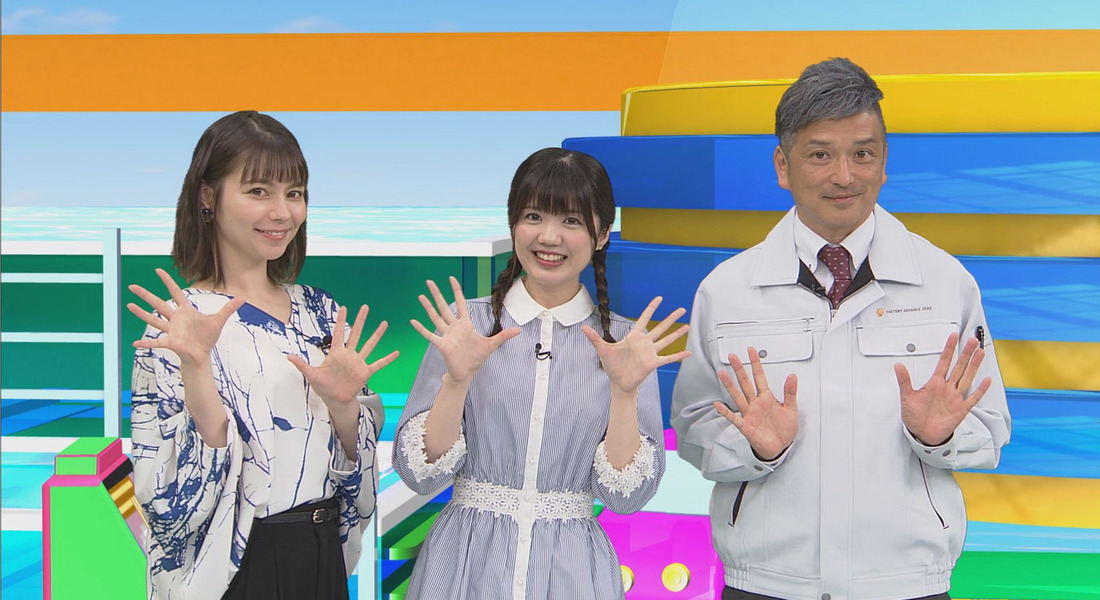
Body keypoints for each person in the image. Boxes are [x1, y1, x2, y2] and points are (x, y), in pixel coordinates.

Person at [671, 58, 1011, 600]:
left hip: (906, 584)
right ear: (783, 165)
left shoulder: (946, 283)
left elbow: (990, 432)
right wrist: (755, 450)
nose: (845, 176)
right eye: (820, 154)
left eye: (863, 154)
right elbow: (693, 433)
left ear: (884, 162)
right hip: (766, 584)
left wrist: (939, 437)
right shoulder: (727, 291)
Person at [391, 147, 689, 599]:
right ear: (513, 223)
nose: (549, 237)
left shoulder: (626, 346)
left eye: (571, 221)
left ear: (602, 234)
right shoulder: (466, 326)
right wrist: (457, 381)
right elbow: (421, 475)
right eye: (533, 216)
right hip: (464, 566)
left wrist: (625, 393)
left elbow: (625, 498)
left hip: (572, 572)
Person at [128, 111, 396, 600]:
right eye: (258, 191)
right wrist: (197, 369)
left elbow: (358, 475)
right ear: (208, 196)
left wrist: (343, 407)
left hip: (321, 554)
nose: (282, 212)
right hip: (237, 569)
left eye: (294, 193)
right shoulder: (175, 327)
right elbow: (164, 503)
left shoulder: (320, 311)